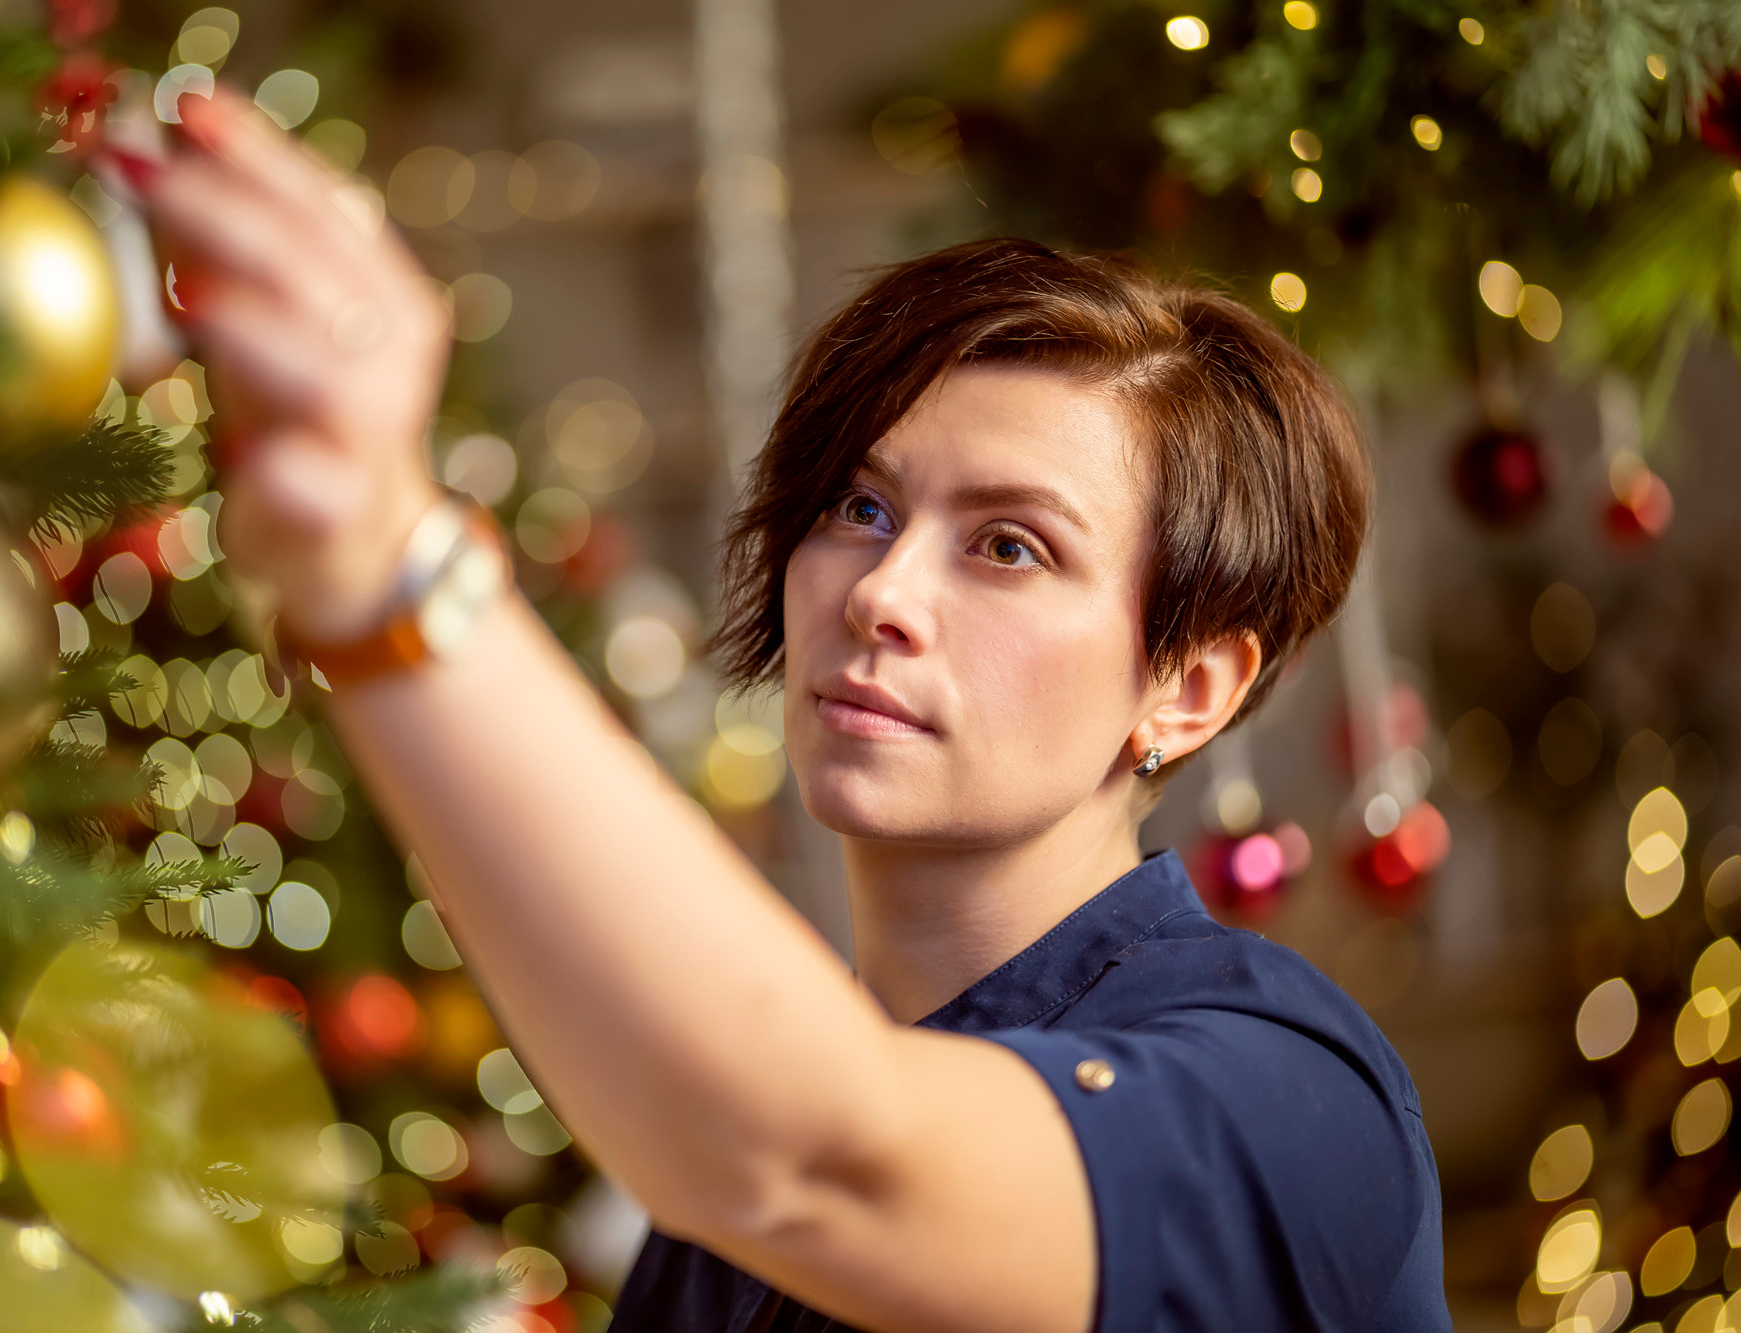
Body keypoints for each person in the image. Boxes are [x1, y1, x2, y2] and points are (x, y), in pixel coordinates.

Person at [127, 88, 1448, 1332]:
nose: (880, 590)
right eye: (860, 508)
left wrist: (383, 562)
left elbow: (826, 1156)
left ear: (1187, 688)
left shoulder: (1289, 1096)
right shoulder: (713, 1235)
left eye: (1010, 547)